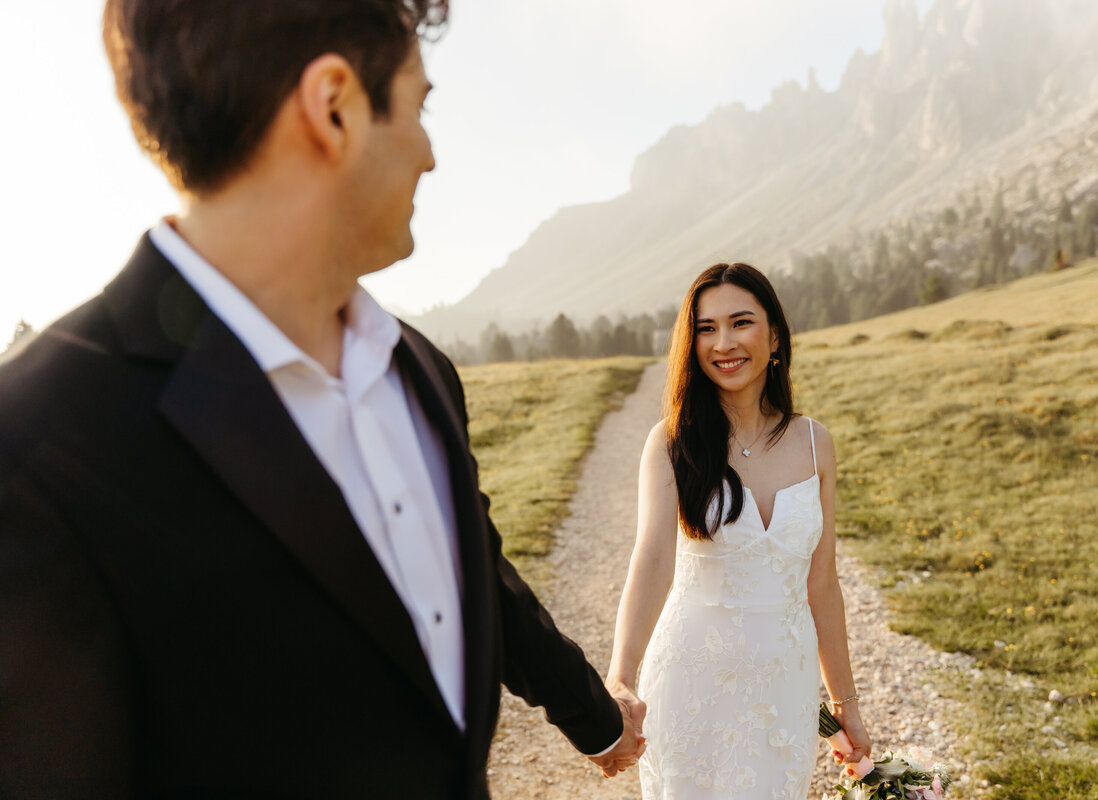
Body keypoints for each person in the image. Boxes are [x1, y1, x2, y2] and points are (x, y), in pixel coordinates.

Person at [0, 1, 643, 797]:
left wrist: (592, 712)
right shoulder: (34, 451)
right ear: (333, 106)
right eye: (419, 106)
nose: (432, 155)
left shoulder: (419, 370)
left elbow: (474, 573)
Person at [605, 263, 871, 798]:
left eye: (740, 322)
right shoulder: (671, 442)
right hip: (690, 682)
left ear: (774, 336)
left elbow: (822, 585)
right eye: (706, 328)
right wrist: (621, 677)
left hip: (784, 690)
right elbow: (652, 560)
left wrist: (845, 707)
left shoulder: (816, 443)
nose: (723, 343)